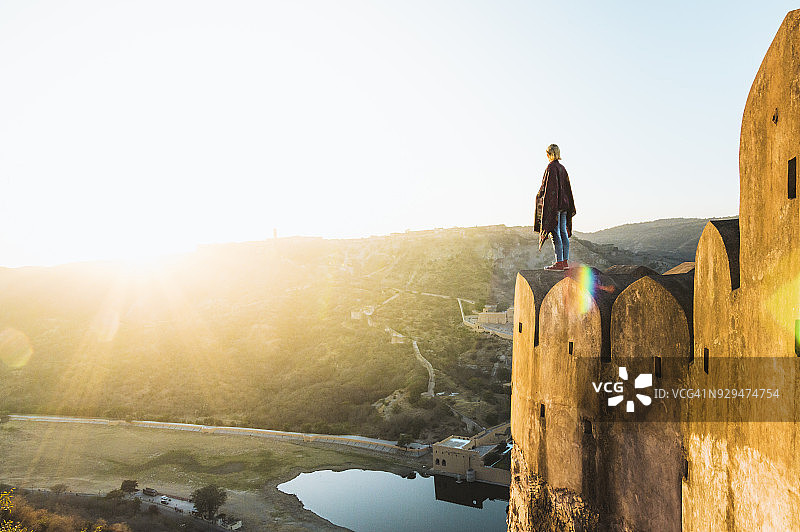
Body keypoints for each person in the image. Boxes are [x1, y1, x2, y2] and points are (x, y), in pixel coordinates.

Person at [534, 144, 576, 271]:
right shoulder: (563, 168)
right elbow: (567, 188)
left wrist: (540, 199)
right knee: (563, 231)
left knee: (554, 232)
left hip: (555, 206)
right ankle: (564, 262)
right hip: (564, 205)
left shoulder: (551, 168)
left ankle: (558, 262)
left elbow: (547, 189)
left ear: (549, 154)